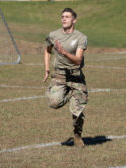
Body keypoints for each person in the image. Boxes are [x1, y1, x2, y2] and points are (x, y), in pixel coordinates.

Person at [43, 8, 88, 147]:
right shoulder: (53, 35)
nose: (64, 19)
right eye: (62, 16)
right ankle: (69, 95)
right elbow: (47, 49)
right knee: (53, 103)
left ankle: (77, 135)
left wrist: (64, 52)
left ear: (74, 20)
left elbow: (78, 60)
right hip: (60, 75)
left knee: (78, 112)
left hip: (76, 77)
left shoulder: (81, 37)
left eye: (67, 17)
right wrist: (46, 68)